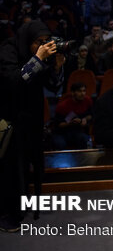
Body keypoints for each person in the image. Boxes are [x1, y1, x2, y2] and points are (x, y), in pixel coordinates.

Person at [0, 21, 65, 232]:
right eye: (39, 42)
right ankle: (8, 214)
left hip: (33, 117)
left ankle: (25, 202)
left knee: (30, 163)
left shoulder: (41, 54)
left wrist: (57, 67)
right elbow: (15, 82)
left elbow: (54, 87)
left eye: (46, 42)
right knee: (12, 168)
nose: (43, 46)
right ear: (29, 39)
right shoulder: (8, 49)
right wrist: (38, 58)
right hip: (10, 117)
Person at [52, 81, 93, 149]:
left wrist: (85, 119)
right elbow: (58, 125)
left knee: (86, 140)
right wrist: (71, 123)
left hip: (77, 131)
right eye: (79, 91)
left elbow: (91, 115)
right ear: (73, 93)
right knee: (60, 144)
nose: (82, 94)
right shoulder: (63, 106)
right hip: (62, 133)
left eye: (84, 91)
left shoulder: (87, 101)